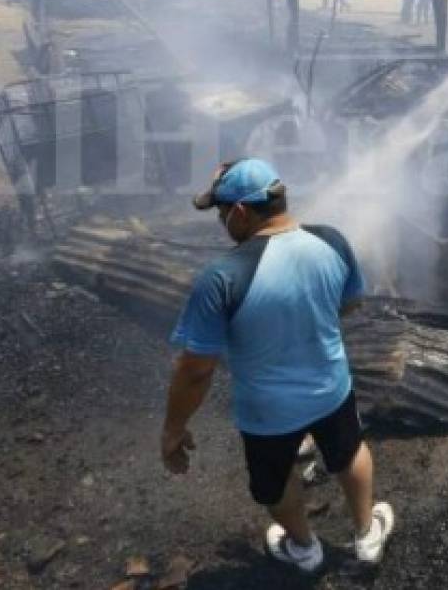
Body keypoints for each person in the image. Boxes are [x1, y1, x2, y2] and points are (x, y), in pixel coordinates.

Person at [162, 158, 394, 574]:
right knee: (349, 452)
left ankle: (305, 549)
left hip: (269, 412)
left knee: (277, 477)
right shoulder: (332, 241)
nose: (220, 221)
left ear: (239, 212)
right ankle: (366, 535)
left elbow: (196, 369)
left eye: (220, 212)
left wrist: (173, 429)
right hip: (331, 388)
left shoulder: (221, 278)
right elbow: (352, 302)